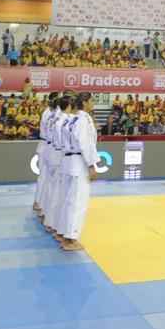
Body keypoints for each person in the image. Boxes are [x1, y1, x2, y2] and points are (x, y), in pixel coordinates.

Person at [59, 93, 99, 252]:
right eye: (91, 101)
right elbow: (86, 143)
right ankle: (70, 239)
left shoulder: (70, 118)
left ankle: (64, 233)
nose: (93, 103)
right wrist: (91, 164)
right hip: (78, 163)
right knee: (78, 202)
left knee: (68, 201)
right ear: (84, 102)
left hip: (68, 161)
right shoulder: (84, 119)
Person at [45, 95, 71, 240]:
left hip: (53, 152)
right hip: (59, 155)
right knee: (58, 193)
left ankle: (50, 222)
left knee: (53, 189)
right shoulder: (62, 120)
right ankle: (55, 225)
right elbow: (63, 142)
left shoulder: (54, 117)